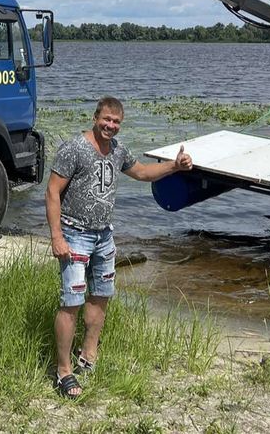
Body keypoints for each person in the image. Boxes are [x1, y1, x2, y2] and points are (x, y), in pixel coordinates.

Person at [45, 96, 193, 399]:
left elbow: (141, 172)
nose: (110, 126)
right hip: (74, 234)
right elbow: (52, 192)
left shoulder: (117, 150)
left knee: (101, 297)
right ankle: (63, 372)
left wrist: (175, 167)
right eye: (106, 120)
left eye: (116, 122)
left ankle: (88, 356)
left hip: (104, 236)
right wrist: (56, 237)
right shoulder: (74, 149)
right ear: (95, 117)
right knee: (71, 302)